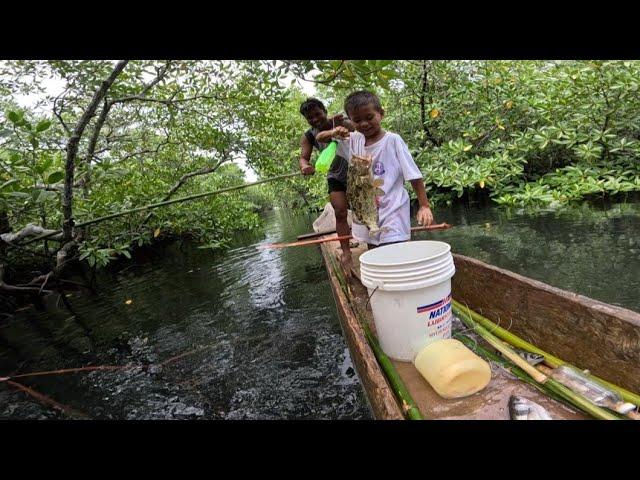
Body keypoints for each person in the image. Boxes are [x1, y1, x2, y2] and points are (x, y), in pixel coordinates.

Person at [315, 90, 434, 271]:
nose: (364, 124)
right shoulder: (352, 141)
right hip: (365, 214)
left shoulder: (393, 140)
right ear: (350, 121)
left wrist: (424, 205)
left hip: (393, 212)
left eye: (369, 117)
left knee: (397, 257)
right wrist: (334, 131)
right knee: (374, 255)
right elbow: (319, 137)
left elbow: (414, 175)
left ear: (381, 114)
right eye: (357, 120)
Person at [298, 98, 354, 272]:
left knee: (363, 209)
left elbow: (360, 131)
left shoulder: (340, 121)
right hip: (335, 175)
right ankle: (346, 252)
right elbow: (303, 158)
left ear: (324, 111)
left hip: (356, 173)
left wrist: (343, 126)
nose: (315, 119)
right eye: (310, 118)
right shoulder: (309, 136)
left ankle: (372, 242)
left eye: (317, 114)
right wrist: (305, 166)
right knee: (340, 211)